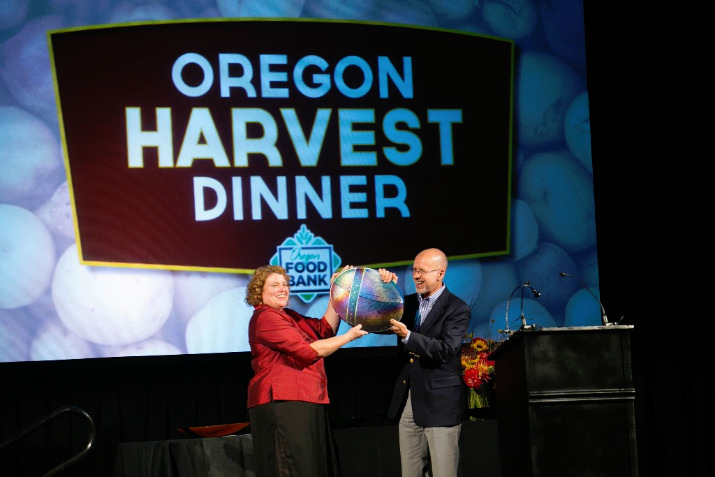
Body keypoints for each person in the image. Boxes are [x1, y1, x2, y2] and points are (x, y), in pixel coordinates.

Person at [246, 264, 395, 477]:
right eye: (275, 285)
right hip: (282, 402)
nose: (283, 289)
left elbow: (323, 330)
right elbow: (308, 351)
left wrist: (337, 289)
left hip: (305, 398)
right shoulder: (265, 317)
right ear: (258, 291)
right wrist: (348, 337)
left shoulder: (287, 316)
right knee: (293, 468)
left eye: (285, 284)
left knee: (311, 467)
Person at [387, 248, 471, 477]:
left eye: (422, 271)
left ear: (440, 273)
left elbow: (446, 350)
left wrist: (408, 336)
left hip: (440, 403)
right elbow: (379, 322)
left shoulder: (457, 308)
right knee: (410, 472)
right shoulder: (407, 304)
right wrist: (384, 290)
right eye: (414, 270)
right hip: (410, 401)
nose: (416, 276)